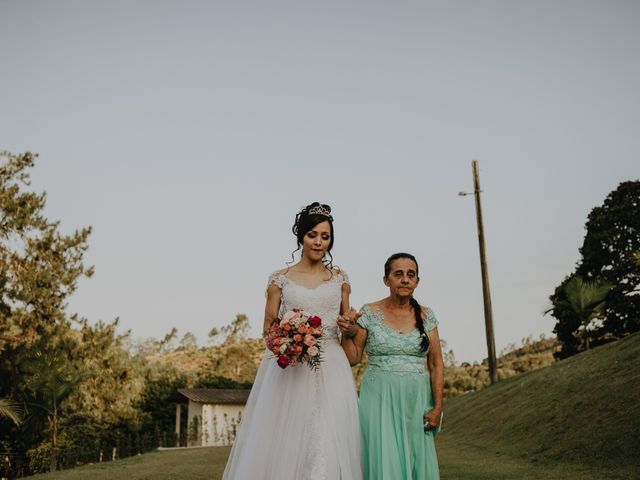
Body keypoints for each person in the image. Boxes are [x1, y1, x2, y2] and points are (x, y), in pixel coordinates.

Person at [222, 202, 362, 480]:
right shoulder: (280, 280)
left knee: (330, 436)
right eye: (313, 235)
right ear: (301, 237)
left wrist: (349, 327)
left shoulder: (340, 279)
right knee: (288, 439)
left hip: (332, 367)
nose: (319, 242)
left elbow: (347, 323)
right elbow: (268, 328)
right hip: (292, 369)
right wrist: (291, 338)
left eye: (325, 236)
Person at [339, 252, 444, 480]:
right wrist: (347, 333)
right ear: (386, 280)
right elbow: (353, 357)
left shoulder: (427, 316)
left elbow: (436, 363)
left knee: (418, 460)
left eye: (411, 274)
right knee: (385, 461)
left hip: (416, 402)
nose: (405, 279)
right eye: (398, 274)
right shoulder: (370, 312)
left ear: (417, 281)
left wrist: (437, 408)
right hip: (379, 401)